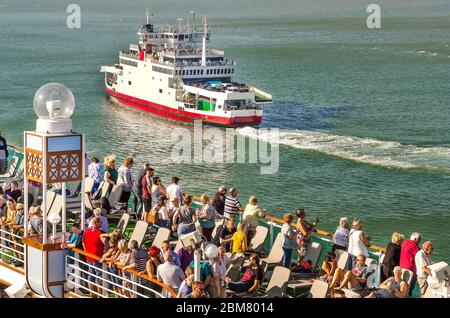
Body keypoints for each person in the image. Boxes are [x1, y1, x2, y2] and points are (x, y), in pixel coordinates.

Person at [82, 217, 107, 297]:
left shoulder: (86, 231)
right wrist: (105, 254)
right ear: (95, 223)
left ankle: (92, 294)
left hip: (89, 256)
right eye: (100, 222)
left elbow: (83, 242)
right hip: (97, 257)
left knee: (90, 274)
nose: (102, 224)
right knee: (98, 275)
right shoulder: (101, 232)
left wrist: (87, 252)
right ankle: (99, 294)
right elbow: (106, 245)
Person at [400, 232, 422, 296]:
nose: (420, 241)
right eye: (419, 239)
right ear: (415, 239)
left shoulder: (406, 242)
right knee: (408, 288)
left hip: (403, 267)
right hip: (410, 269)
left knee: (403, 286)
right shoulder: (413, 245)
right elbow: (420, 254)